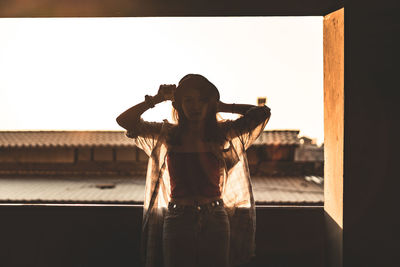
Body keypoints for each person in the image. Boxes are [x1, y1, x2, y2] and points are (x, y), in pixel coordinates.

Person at [116, 74, 271, 267]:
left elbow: (262, 113)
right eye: (188, 100)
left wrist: (221, 106)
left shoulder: (220, 133)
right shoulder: (169, 134)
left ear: (209, 104)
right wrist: (156, 99)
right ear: (179, 105)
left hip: (215, 217)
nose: (195, 106)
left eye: (202, 100)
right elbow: (124, 120)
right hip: (178, 219)